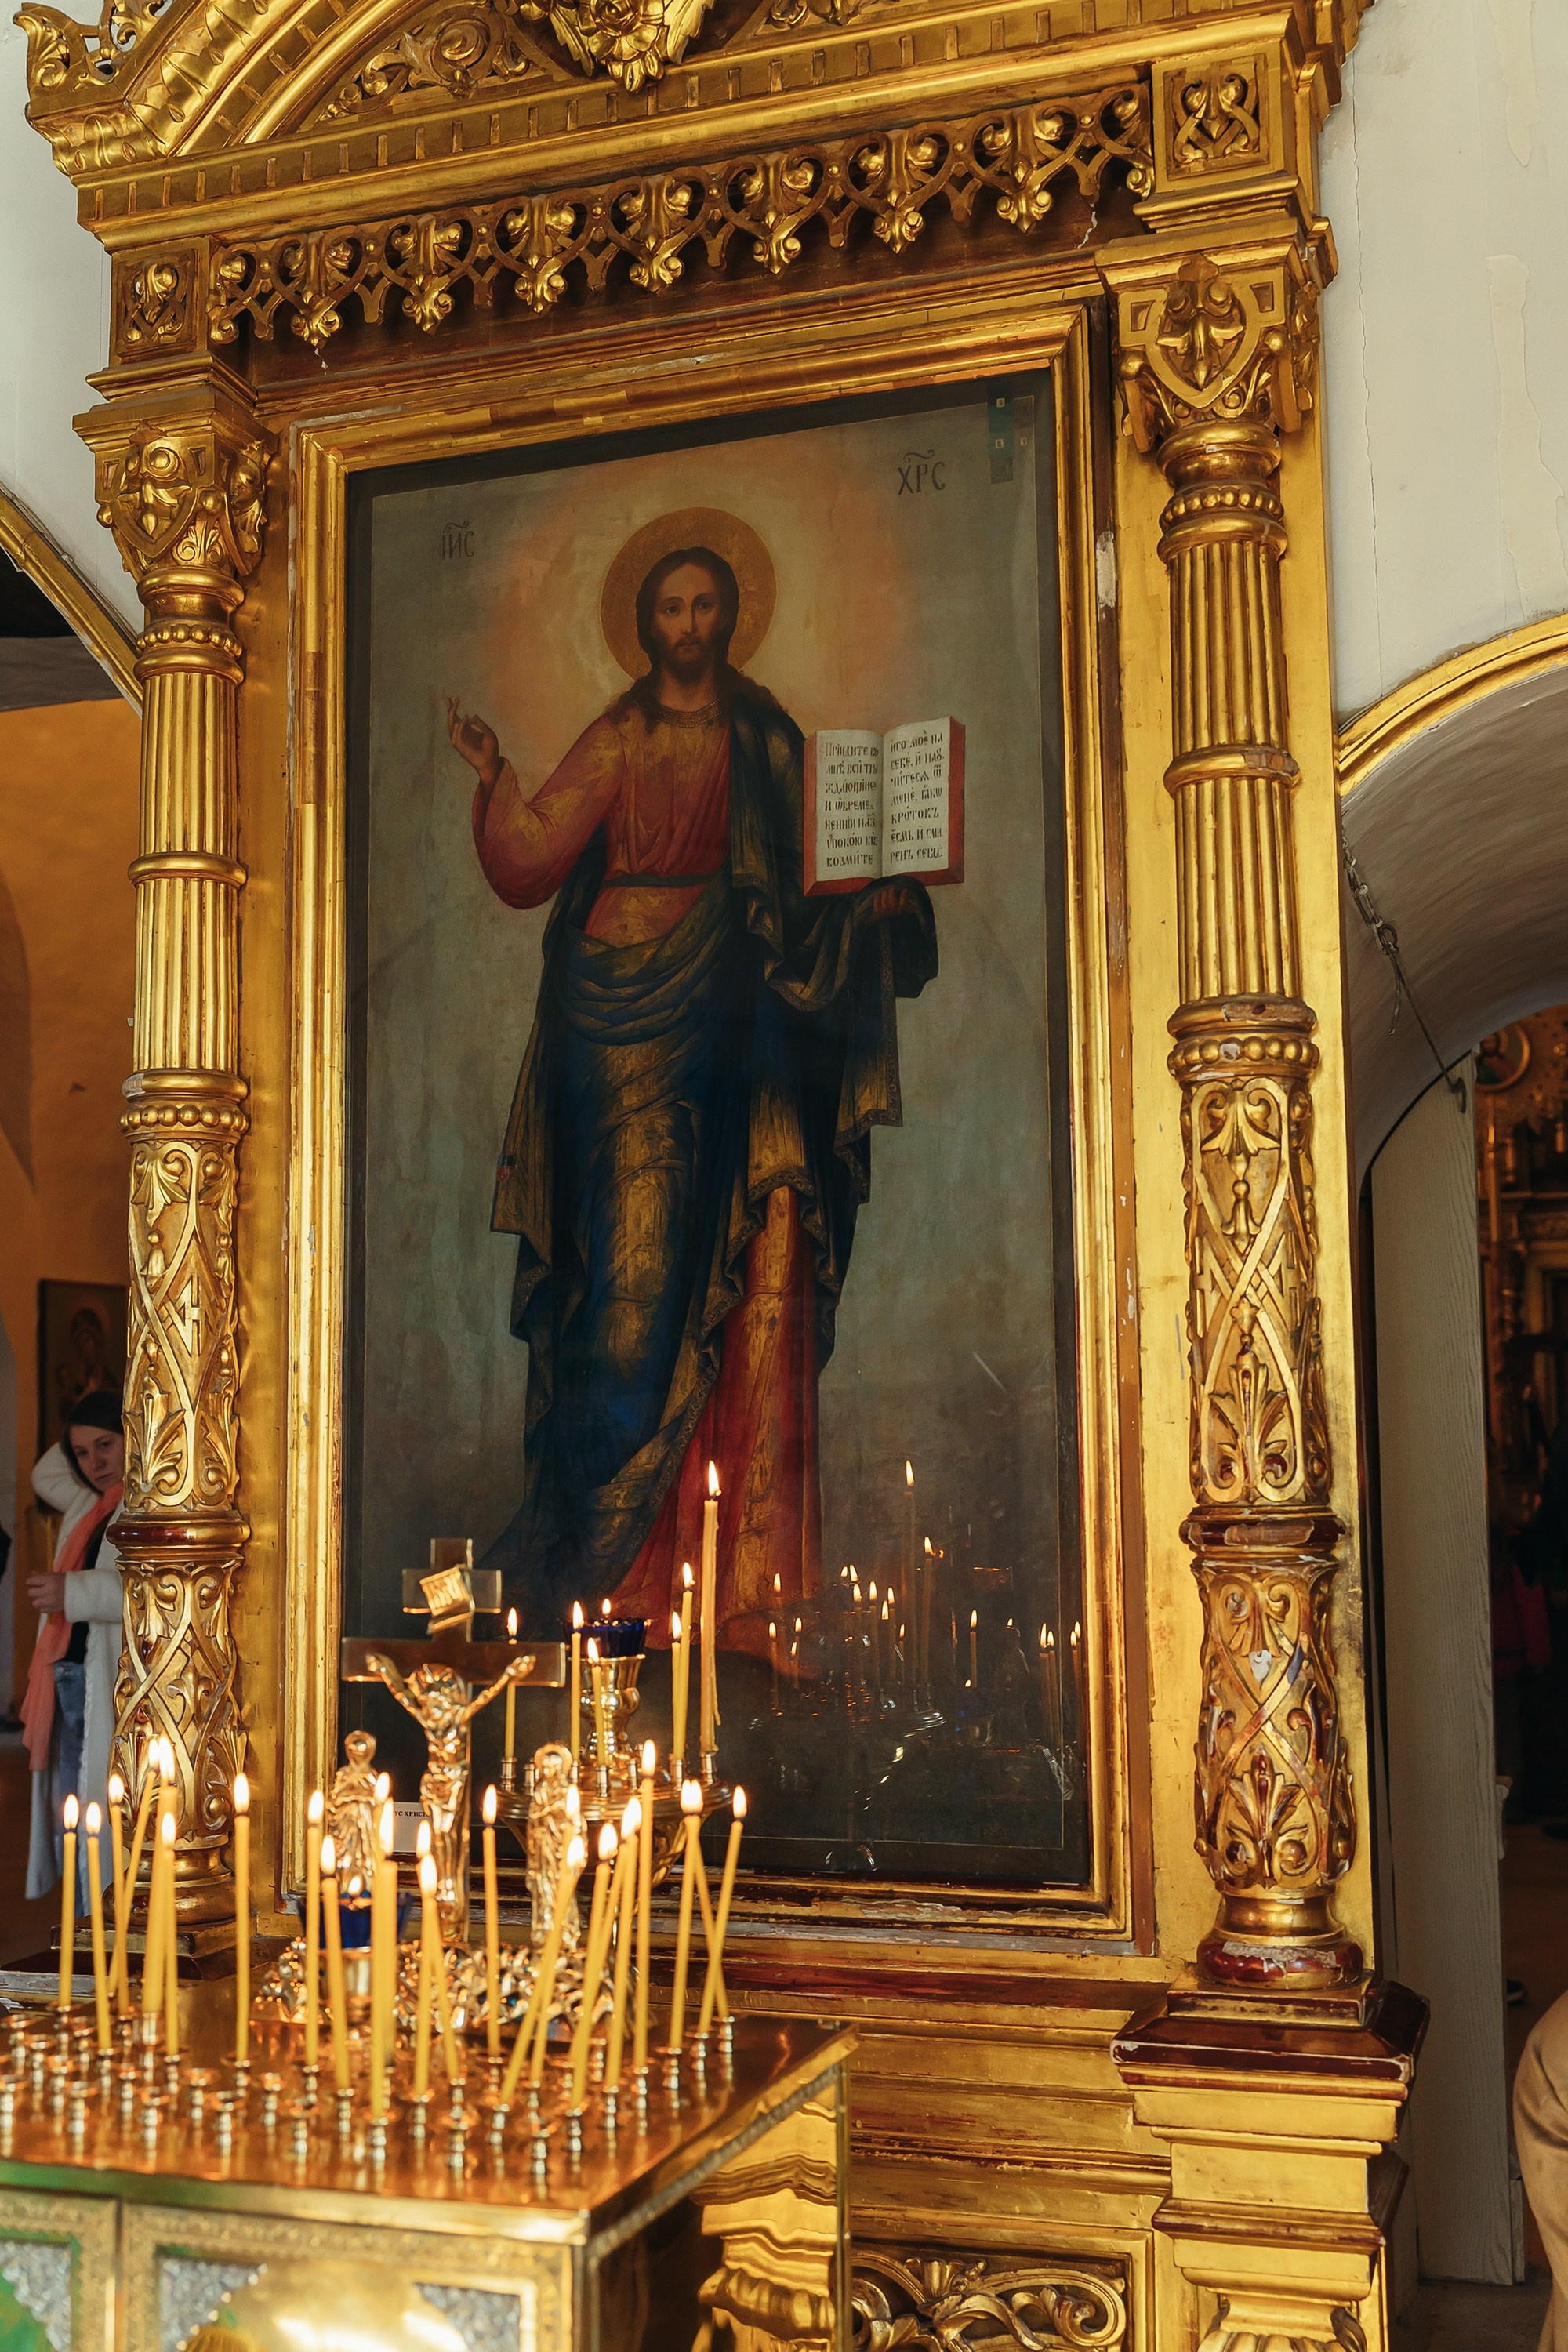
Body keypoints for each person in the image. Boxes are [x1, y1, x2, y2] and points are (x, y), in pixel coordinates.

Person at [448, 524, 937, 1642]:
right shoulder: (623, 735)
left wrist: (882, 896)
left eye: (703, 605)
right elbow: (532, 858)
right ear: (644, 622)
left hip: (733, 1021)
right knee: (627, 1299)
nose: (687, 626)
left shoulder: (763, 734)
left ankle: (701, 1587)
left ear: (729, 617)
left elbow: (824, 872)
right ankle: (598, 1565)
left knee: (740, 1257)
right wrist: (495, 780)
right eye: (670, 608)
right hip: (615, 1033)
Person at [22, 1390, 125, 1905]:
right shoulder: (89, 1500)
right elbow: (45, 1474)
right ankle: (80, 1920)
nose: (94, 1464)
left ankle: (93, 1922)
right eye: (81, 1453)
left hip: (98, 1677)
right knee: (74, 1808)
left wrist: (73, 1592)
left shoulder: (145, 1502)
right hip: (66, 1673)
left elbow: (155, 1591)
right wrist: (86, 1405)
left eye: (106, 1445)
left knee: (94, 1809)